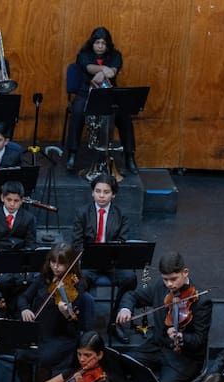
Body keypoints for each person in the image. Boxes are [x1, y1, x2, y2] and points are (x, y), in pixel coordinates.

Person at [116, 251, 213, 382]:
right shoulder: (160, 288)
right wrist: (126, 309)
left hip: (184, 357)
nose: (169, 285)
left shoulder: (201, 301)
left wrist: (181, 337)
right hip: (158, 345)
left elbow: (199, 341)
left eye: (173, 279)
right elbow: (131, 295)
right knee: (122, 364)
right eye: (165, 279)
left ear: (185, 272)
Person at [15, 243, 95, 382]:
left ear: (70, 263)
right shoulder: (44, 278)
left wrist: (66, 314)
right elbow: (23, 298)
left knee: (45, 358)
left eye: (61, 263)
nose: (56, 267)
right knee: (20, 354)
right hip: (40, 331)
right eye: (53, 262)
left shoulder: (78, 286)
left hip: (61, 336)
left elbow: (76, 327)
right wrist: (25, 308)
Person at [72, 174, 136, 343]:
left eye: (106, 192)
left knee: (130, 278)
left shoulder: (122, 214)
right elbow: (77, 242)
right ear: (92, 193)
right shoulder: (82, 212)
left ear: (113, 195)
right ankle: (81, 325)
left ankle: (116, 322)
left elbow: (122, 241)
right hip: (89, 260)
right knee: (79, 281)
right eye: (98, 191)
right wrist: (86, 255)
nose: (101, 195)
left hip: (112, 261)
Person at [65, 27, 137, 174]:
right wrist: (104, 70)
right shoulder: (83, 55)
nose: (100, 46)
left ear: (108, 45)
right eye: (97, 42)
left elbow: (113, 71)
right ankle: (72, 154)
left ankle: (129, 155)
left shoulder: (116, 55)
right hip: (87, 93)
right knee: (78, 112)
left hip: (110, 94)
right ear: (92, 43)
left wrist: (103, 72)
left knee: (125, 116)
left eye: (103, 43)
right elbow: (90, 67)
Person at [0, 180, 37, 311]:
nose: (12, 204)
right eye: (9, 199)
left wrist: (21, 262)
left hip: (19, 262)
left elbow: (31, 244)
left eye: (16, 201)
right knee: (3, 281)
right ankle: (3, 309)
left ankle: (17, 310)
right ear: (2, 198)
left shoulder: (29, 218)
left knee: (25, 283)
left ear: (22, 201)